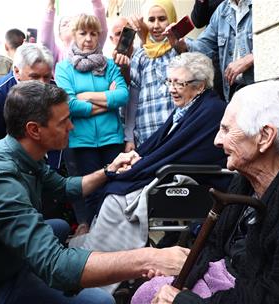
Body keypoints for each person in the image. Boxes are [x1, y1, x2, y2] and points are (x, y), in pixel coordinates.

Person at [0, 81, 189, 304]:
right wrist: (149, 259)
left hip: (2, 259)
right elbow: (56, 264)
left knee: (57, 226)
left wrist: (108, 170)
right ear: (34, 130)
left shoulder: (23, 154)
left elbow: (64, 188)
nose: (71, 126)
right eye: (63, 121)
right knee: (100, 300)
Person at [131, 81, 279, 304]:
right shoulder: (246, 181)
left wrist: (185, 301)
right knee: (148, 291)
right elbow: (214, 246)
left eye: (226, 129)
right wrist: (183, 276)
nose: (217, 140)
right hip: (229, 282)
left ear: (264, 137)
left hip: (248, 293)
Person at [68, 52, 228, 264]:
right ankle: (96, 255)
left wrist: (139, 167)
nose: (171, 89)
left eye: (179, 84)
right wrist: (135, 159)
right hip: (175, 172)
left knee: (117, 198)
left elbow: (180, 151)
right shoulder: (191, 106)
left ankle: (104, 264)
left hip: (198, 183)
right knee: (115, 188)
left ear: (199, 86)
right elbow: (162, 145)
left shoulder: (212, 110)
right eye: (169, 81)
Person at [54, 14, 129, 227]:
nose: (88, 38)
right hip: (81, 141)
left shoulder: (110, 65)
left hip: (111, 139)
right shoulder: (63, 67)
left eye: (93, 33)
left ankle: (117, 234)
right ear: (74, 35)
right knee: (92, 191)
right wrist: (107, 100)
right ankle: (97, 238)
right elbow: (68, 104)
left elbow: (123, 96)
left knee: (115, 187)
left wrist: (86, 97)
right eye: (83, 33)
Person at [0, 43, 53, 153]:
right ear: (17, 71)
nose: (42, 84)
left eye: (46, 77)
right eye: (34, 77)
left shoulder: (54, 90)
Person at [172, 0, 253, 102]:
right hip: (233, 91)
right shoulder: (222, 9)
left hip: (259, 88)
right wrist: (183, 44)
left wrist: (249, 59)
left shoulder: (262, 5)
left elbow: (276, 43)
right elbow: (204, 45)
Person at [124, 0, 179, 151]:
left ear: (172, 20)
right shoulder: (140, 55)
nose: (156, 25)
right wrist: (129, 137)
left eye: (162, 19)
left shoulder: (179, 50)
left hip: (175, 132)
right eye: (151, 20)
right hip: (146, 134)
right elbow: (133, 99)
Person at [40, 0, 108, 66]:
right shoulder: (57, 53)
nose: (69, 25)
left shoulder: (90, 44)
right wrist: (50, 4)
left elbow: (100, 29)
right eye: (64, 24)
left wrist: (96, 1)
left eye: (72, 23)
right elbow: (46, 38)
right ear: (59, 35)